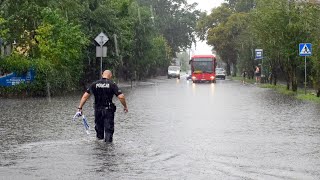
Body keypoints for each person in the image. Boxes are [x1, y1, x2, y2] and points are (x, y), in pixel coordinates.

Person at [77, 70, 128, 143]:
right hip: (108, 110)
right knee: (108, 131)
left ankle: (99, 149)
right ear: (110, 76)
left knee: (99, 131)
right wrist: (125, 106)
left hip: (97, 111)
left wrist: (80, 107)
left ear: (102, 75)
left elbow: (85, 96)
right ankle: (107, 149)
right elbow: (121, 97)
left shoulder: (94, 84)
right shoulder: (112, 84)